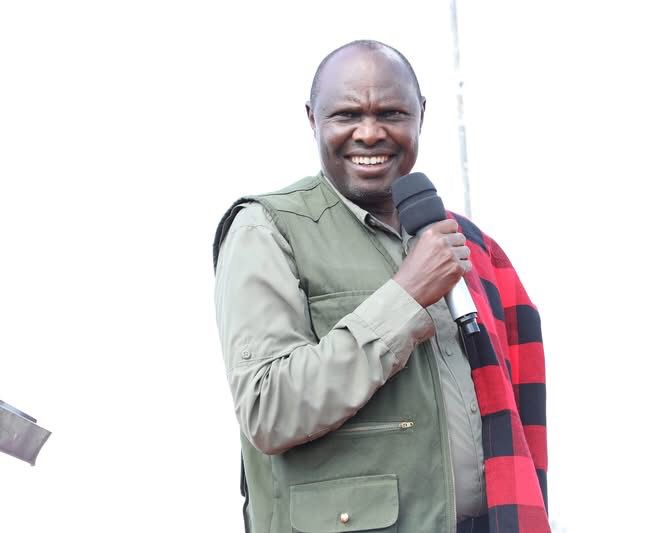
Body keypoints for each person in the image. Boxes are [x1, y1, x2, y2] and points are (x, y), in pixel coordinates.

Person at [213, 40, 549, 533]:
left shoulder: (467, 244)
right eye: (347, 115)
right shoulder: (267, 229)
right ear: (312, 119)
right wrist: (405, 298)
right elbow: (268, 409)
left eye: (391, 113)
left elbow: (518, 420)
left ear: (420, 115)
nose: (369, 133)